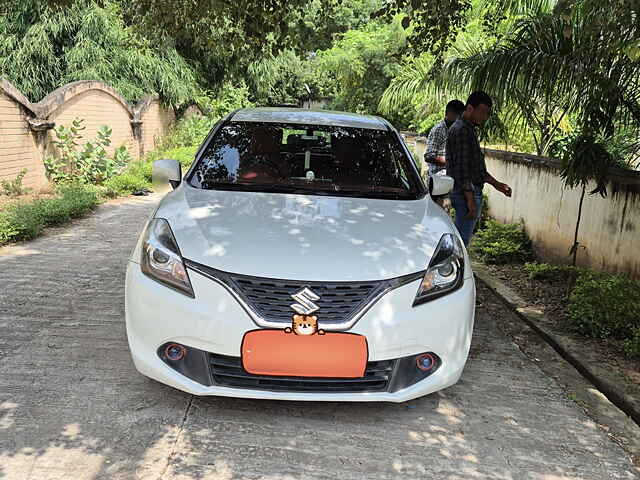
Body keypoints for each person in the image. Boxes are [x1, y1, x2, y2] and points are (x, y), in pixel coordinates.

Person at [446, 91, 512, 246]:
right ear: (470, 108)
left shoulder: (468, 129)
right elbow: (463, 169)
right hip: (465, 193)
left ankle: (459, 268)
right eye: (482, 112)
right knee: (461, 241)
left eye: (487, 113)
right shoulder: (461, 129)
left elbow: (476, 167)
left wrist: (497, 185)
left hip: (467, 191)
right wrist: (470, 200)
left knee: (462, 238)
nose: (485, 117)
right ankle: (458, 269)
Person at [424, 99, 466, 177]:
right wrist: (451, 163)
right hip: (438, 178)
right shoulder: (439, 130)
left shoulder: (456, 130)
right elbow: (429, 156)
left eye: (461, 115)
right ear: (448, 113)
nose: (459, 118)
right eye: (457, 115)